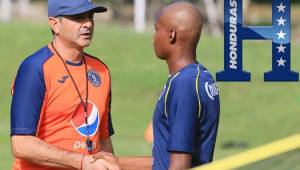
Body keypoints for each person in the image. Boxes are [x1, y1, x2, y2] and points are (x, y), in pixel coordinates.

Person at [10, 0, 119, 169]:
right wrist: (81, 162)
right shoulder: (34, 69)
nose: (88, 24)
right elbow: (21, 144)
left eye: (90, 16)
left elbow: (103, 140)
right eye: (78, 17)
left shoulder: (101, 71)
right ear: (55, 24)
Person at [150, 2, 220, 169]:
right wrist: (115, 162)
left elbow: (180, 164)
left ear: (171, 35)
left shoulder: (184, 85)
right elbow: (164, 160)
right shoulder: (199, 77)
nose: (153, 37)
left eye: (156, 29)